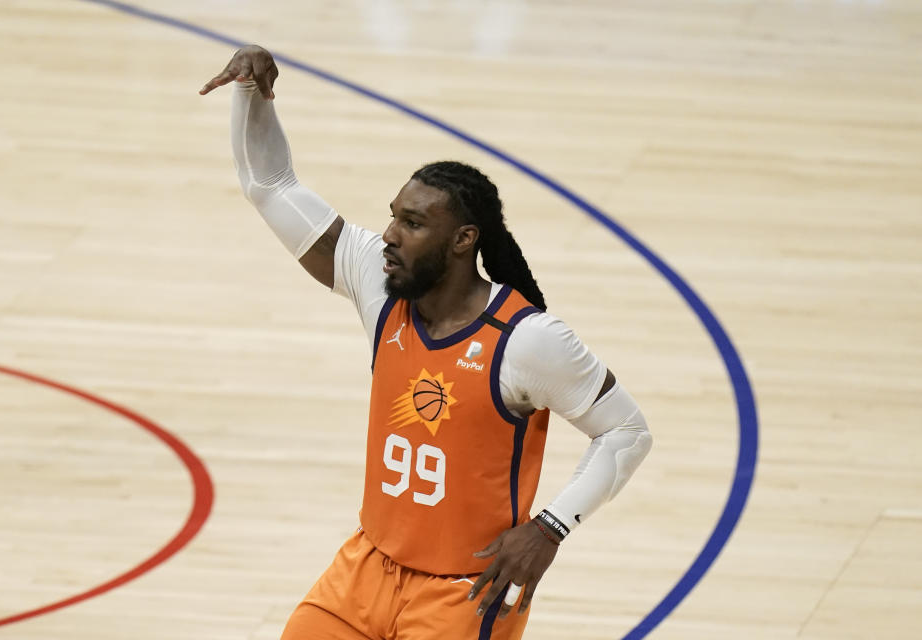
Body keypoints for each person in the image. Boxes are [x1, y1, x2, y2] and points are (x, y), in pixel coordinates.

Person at [200, 45, 653, 640]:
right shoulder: (378, 285)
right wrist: (251, 93)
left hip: (464, 592)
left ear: (463, 240)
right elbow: (269, 184)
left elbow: (626, 431)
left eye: (412, 224)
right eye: (393, 217)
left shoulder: (528, 340)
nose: (388, 235)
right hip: (365, 568)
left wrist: (550, 528)